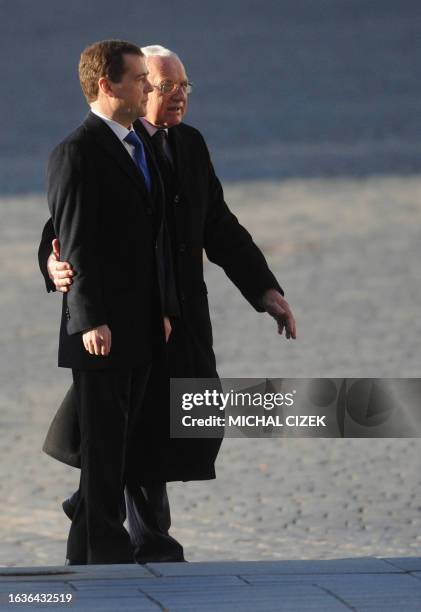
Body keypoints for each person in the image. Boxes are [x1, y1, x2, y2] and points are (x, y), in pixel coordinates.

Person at [39, 45, 296, 563]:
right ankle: (136, 536)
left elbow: (219, 226)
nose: (179, 97)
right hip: (128, 317)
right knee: (125, 430)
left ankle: (101, 512)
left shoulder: (188, 145)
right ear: (137, 88)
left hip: (179, 315)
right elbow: (64, 230)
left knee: (175, 421)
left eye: (185, 87)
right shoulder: (111, 146)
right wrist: (51, 267)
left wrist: (264, 289)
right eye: (165, 87)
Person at [45, 39, 182, 565]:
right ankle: (99, 554)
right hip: (101, 333)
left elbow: (157, 236)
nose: (149, 88)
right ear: (108, 86)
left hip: (144, 325)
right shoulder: (76, 152)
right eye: (140, 80)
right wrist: (89, 320)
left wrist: (165, 310)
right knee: (103, 451)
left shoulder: (140, 146)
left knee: (121, 446)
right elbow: (72, 239)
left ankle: (96, 546)